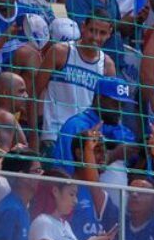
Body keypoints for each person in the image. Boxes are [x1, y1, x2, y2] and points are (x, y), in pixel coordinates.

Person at [36, 12, 116, 148]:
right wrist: (34, 134)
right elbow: (35, 91)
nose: (96, 37)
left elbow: (108, 110)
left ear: (109, 34)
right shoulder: (60, 52)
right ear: (83, 27)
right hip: (54, 136)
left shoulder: (107, 65)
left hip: (85, 140)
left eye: (102, 33)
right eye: (92, 30)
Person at [29, 170, 116, 240]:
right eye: (71, 194)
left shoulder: (65, 225)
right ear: (55, 191)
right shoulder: (43, 223)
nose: (75, 201)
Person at [51, 77, 137, 174]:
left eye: (123, 105)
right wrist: (113, 155)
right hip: (78, 188)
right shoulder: (76, 126)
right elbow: (69, 171)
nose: (120, 110)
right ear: (99, 99)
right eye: (115, 104)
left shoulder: (122, 131)